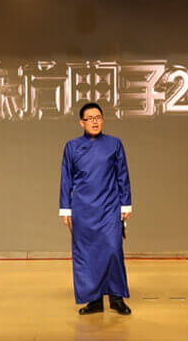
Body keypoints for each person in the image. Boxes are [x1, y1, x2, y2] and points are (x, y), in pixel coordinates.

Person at [59, 102, 133, 315]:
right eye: (90, 118)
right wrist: (65, 209)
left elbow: (122, 175)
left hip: (109, 208)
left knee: (113, 251)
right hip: (83, 209)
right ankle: (94, 301)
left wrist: (126, 204)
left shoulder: (114, 144)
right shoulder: (72, 147)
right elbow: (66, 179)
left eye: (98, 117)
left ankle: (117, 299)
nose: (94, 121)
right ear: (81, 122)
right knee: (87, 255)